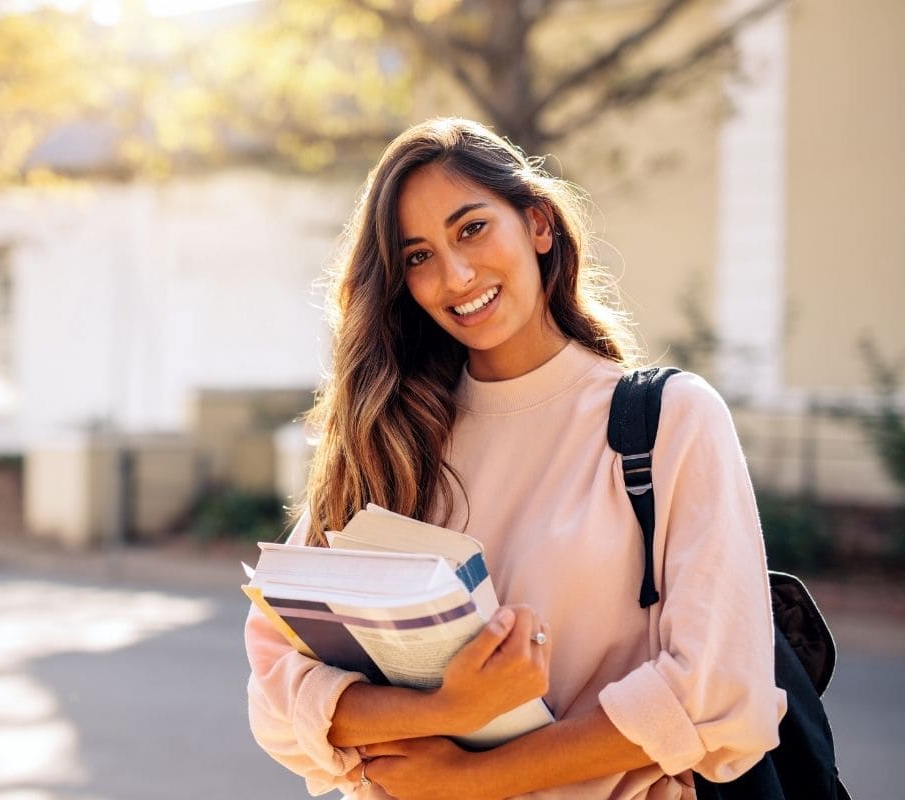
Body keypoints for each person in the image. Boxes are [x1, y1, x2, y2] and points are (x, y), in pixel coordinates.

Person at [244, 118, 787, 799]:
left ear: (537, 225)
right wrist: (447, 710)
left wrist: (469, 778)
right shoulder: (392, 438)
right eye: (418, 257)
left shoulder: (668, 421)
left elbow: (712, 689)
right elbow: (277, 689)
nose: (456, 275)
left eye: (472, 228)